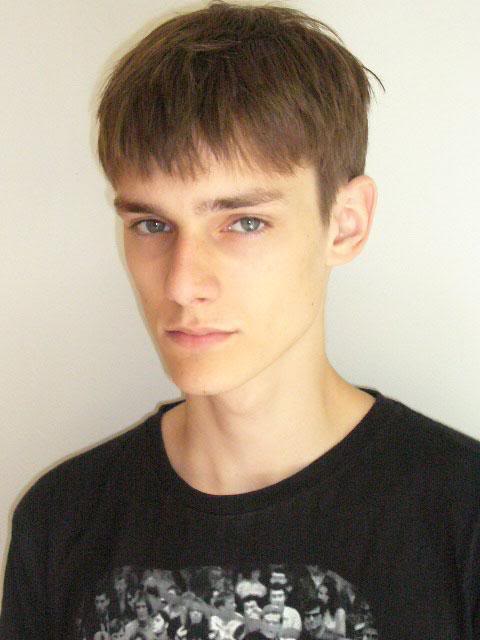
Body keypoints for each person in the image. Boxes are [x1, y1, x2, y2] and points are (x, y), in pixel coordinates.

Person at [1, 2, 479, 639]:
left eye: (244, 222)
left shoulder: (461, 515)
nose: (181, 283)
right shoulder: (61, 520)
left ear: (345, 224)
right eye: (152, 224)